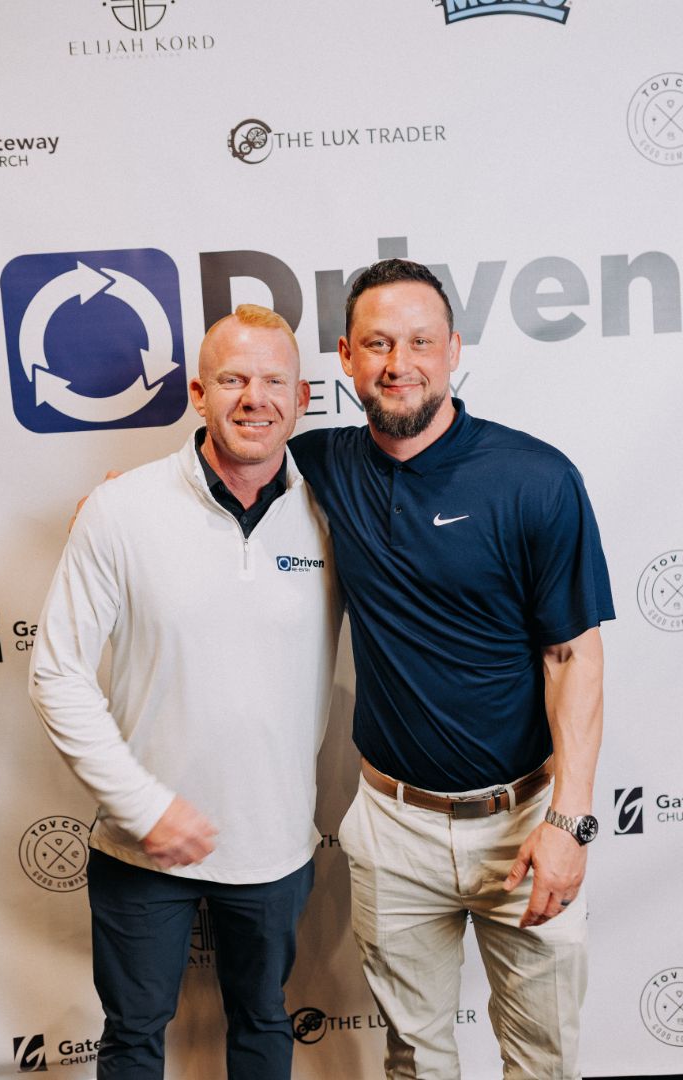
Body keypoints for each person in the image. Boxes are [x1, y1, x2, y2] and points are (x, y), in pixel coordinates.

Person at [286, 258, 615, 1080]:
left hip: (525, 821)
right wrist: (125, 506)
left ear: (454, 349)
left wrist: (570, 823)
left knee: (542, 1063)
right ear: (346, 357)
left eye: (421, 342)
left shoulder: (536, 478)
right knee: (415, 1062)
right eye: (377, 344)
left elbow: (573, 657)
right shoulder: (319, 464)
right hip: (393, 828)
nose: (399, 363)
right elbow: (227, 463)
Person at [29, 304, 343, 1080]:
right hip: (139, 849)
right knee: (134, 1038)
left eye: (274, 381)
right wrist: (144, 807)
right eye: (232, 380)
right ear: (198, 394)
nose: (254, 399)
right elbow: (57, 674)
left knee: (262, 1021)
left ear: (302, 398)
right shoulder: (120, 510)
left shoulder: (337, 515)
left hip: (274, 843)